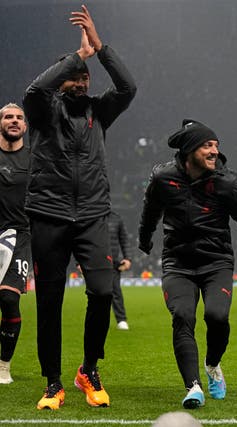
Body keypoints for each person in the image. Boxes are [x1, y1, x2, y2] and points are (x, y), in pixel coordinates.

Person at [23, 5, 136, 410]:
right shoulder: (42, 111)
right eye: (76, 78)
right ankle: (53, 383)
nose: (83, 82)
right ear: (63, 80)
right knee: (49, 301)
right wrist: (78, 56)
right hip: (49, 214)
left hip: (91, 215)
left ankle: (89, 369)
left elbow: (128, 88)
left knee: (103, 291)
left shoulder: (98, 112)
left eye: (86, 79)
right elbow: (35, 91)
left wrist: (101, 49)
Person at [138, 119, 237, 409]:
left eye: (216, 145)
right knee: (183, 316)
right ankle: (193, 387)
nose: (215, 151)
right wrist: (144, 239)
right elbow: (150, 211)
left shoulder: (226, 183)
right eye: (207, 145)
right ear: (190, 150)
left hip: (216, 262)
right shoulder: (163, 178)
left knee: (217, 317)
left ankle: (213, 364)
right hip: (178, 263)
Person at [0, 104, 30, 385]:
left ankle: (3, 366)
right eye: (8, 116)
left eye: (19, 117)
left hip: (19, 236)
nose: (14, 120)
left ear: (25, 126)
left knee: (9, 298)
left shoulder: (34, 160)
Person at [108, 210, 132, 331]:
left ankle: (121, 319)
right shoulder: (90, 216)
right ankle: (98, 320)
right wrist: (79, 262)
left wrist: (127, 258)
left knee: (116, 291)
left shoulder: (116, 218)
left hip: (112, 263)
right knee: (95, 293)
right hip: (94, 262)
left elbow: (124, 240)